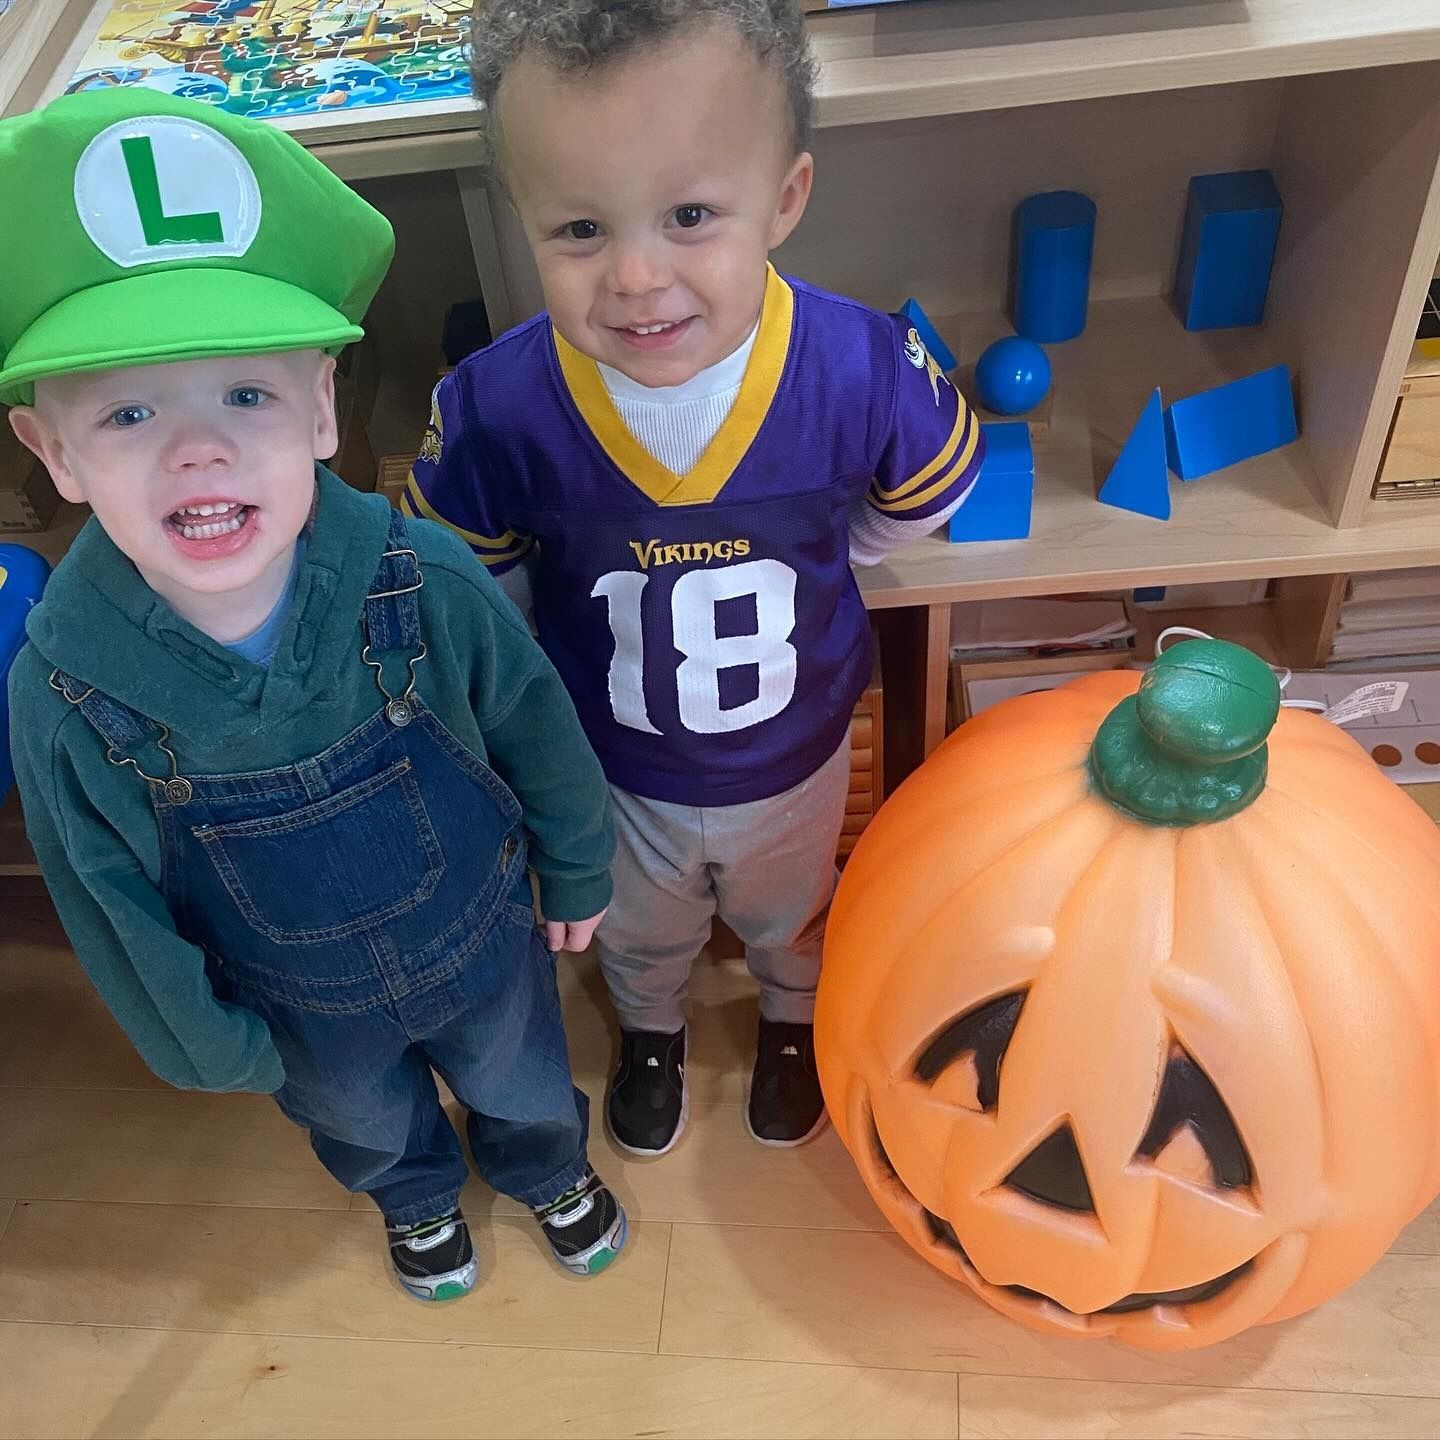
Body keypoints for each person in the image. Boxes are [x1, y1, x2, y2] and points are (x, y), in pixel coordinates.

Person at [2, 88, 626, 1302]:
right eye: (129, 411)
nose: (200, 449)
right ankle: (414, 1194)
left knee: (519, 1072)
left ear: (323, 408)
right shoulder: (64, 689)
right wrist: (195, 1038)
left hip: (484, 942)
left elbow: (535, 723)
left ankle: (545, 1165)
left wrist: (580, 862)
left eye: (247, 395)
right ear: (54, 453)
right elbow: (101, 891)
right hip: (295, 1011)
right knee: (361, 1117)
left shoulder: (422, 576)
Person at [406, 0, 986, 1156]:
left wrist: (838, 555)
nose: (635, 275)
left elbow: (926, 493)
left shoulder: (859, 366)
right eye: (580, 227)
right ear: (522, 217)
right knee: (636, 925)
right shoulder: (498, 407)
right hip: (615, 759)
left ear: (785, 197)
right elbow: (480, 575)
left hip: (795, 746)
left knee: (794, 910)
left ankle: (791, 1017)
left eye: (688, 215)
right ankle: (652, 1027)